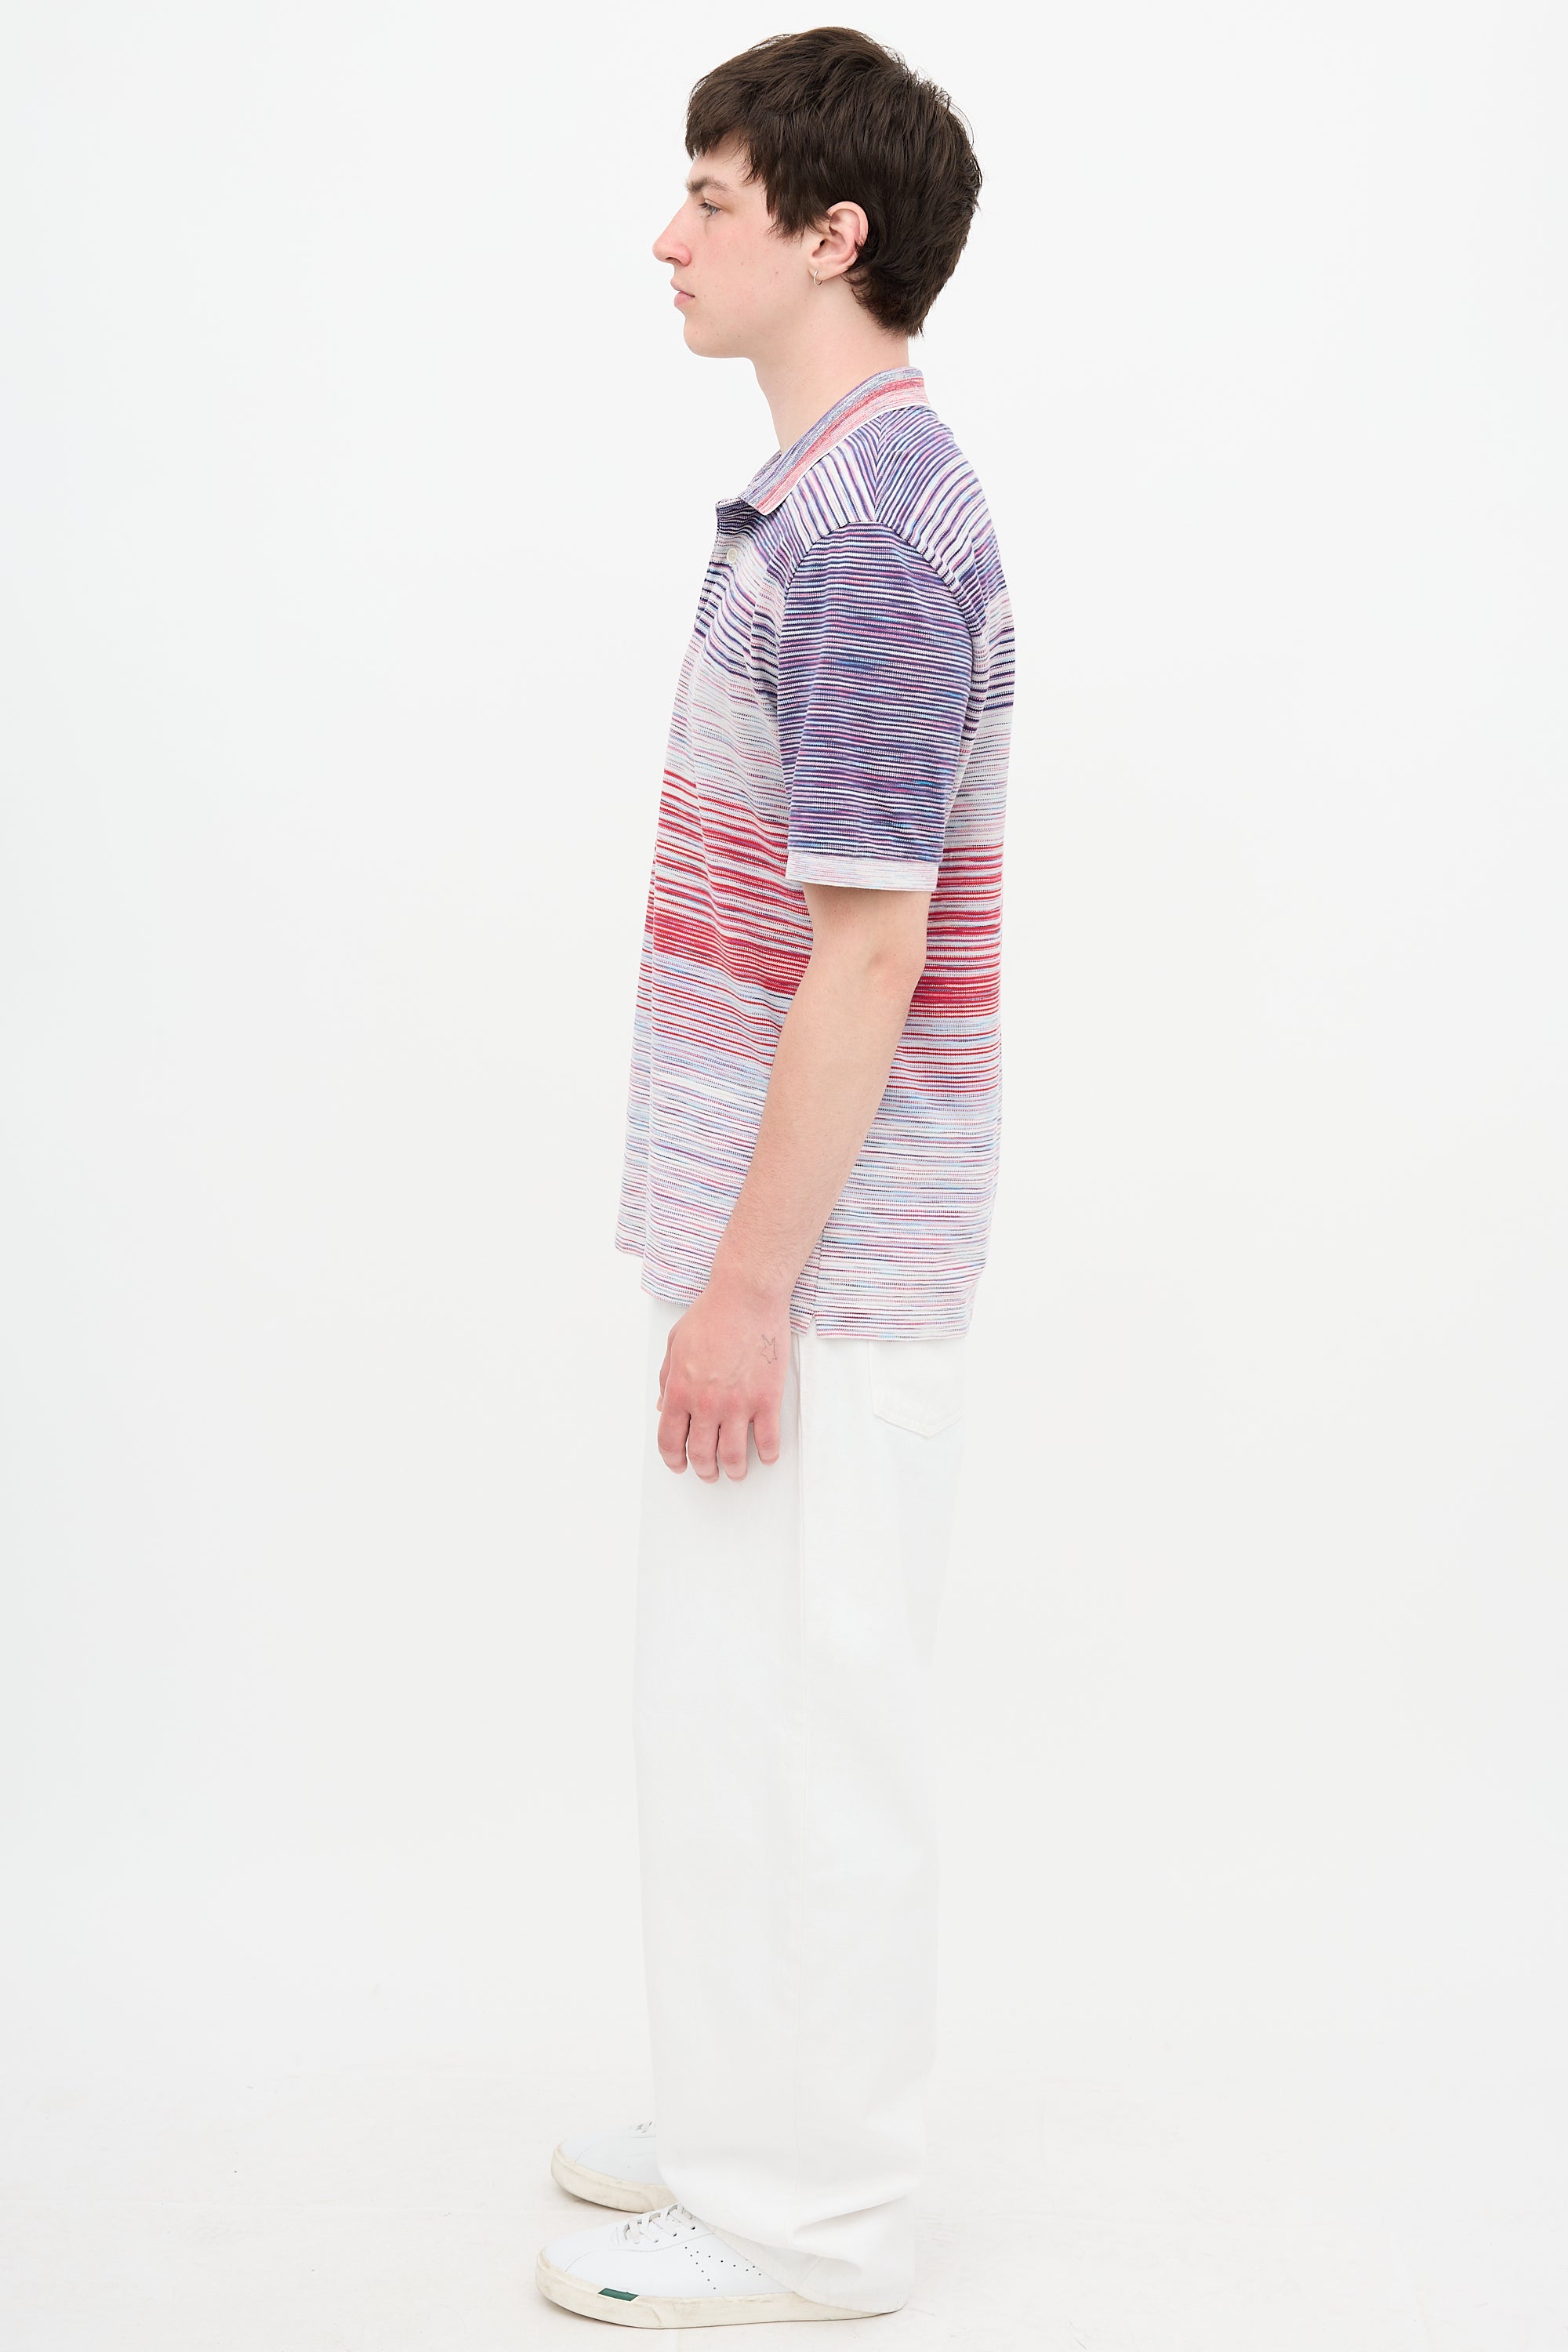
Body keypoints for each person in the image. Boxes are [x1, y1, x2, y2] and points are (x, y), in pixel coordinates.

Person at [535, 25, 1013, 2330]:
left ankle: (809, 2218)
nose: (667, 237)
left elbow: (871, 944)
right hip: (777, 1243)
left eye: (710, 199)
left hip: (817, 1263)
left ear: (834, 235)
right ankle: (745, 2113)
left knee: (814, 1730)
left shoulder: (877, 533)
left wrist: (745, 1288)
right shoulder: (823, 502)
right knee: (728, 1708)